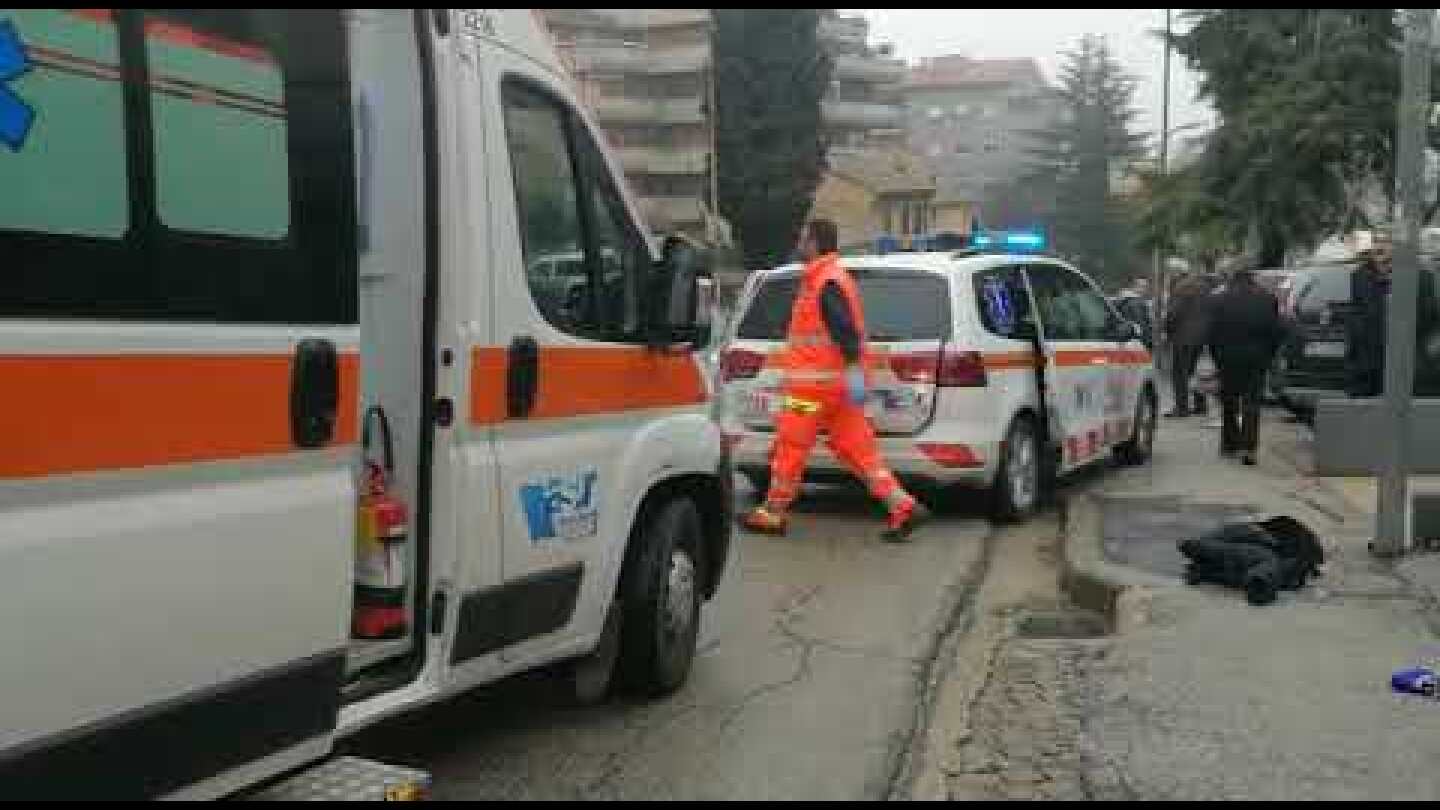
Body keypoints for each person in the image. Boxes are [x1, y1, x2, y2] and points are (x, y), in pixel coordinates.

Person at [741, 219, 926, 543]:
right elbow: (845, 335)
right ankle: (901, 504)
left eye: (802, 239)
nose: (799, 244)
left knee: (791, 447)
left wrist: (850, 369)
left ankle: (772, 512)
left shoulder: (825, 282)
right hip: (838, 388)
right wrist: (853, 377)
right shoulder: (830, 279)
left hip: (811, 391)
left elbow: (844, 332)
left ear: (814, 242)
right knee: (859, 450)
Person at [1206, 267, 1285, 466]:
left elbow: (1211, 332)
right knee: (1251, 403)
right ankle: (1249, 449)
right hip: (1256, 358)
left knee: (1229, 401)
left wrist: (1217, 358)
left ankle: (1230, 444)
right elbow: (1276, 331)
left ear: (1233, 279)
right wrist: (1269, 355)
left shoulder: (1219, 300)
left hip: (1227, 357)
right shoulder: (1267, 299)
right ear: (1253, 279)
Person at [1163, 274, 1214, 417]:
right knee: (1196, 372)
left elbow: (1173, 313)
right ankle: (1200, 405)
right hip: (1201, 337)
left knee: (1180, 374)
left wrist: (1167, 330)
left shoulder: (1181, 289)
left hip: (1182, 337)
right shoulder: (1205, 289)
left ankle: (1182, 408)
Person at [1114, 277, 1154, 351]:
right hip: (1136, 340)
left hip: (1123, 338)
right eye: (1142, 286)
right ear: (1134, 286)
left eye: (1145, 287)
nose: (1144, 289)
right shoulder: (1136, 302)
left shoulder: (1121, 300)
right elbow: (1141, 322)